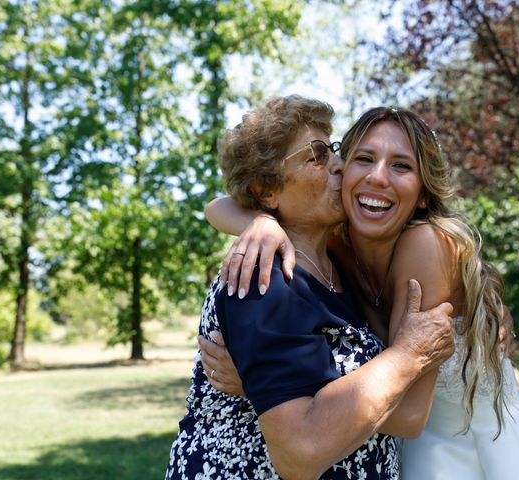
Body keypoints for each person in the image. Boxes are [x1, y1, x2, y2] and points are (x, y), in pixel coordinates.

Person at [205, 106, 519, 479]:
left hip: (472, 449)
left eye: (401, 166)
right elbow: (216, 206)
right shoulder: (338, 244)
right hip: (388, 443)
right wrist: (260, 221)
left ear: (424, 193)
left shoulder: (425, 244)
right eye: (363, 159)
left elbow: (411, 414)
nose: (378, 177)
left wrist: (262, 389)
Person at [164, 96, 455, 480]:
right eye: (317, 156)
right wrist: (409, 354)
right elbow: (300, 452)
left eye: (333, 151)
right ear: (267, 190)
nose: (339, 164)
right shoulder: (263, 276)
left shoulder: (338, 264)